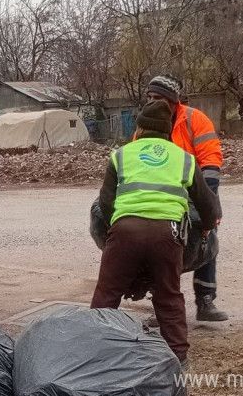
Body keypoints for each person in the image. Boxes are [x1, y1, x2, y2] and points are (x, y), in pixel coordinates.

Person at [91, 100, 220, 365]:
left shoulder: (121, 155)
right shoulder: (184, 159)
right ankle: (178, 360)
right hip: (167, 235)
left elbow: (105, 202)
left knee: (107, 295)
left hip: (125, 231)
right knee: (169, 297)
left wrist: (114, 232)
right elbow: (207, 204)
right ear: (169, 130)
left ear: (139, 128)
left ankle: (94, 356)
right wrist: (206, 228)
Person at [147, 74, 228, 322]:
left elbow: (211, 159)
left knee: (205, 240)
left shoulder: (194, 120)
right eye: (149, 97)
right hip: (163, 194)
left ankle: (205, 300)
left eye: (157, 98)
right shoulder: (147, 123)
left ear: (173, 101)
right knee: (160, 248)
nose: (151, 102)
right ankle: (163, 305)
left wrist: (208, 200)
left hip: (196, 190)